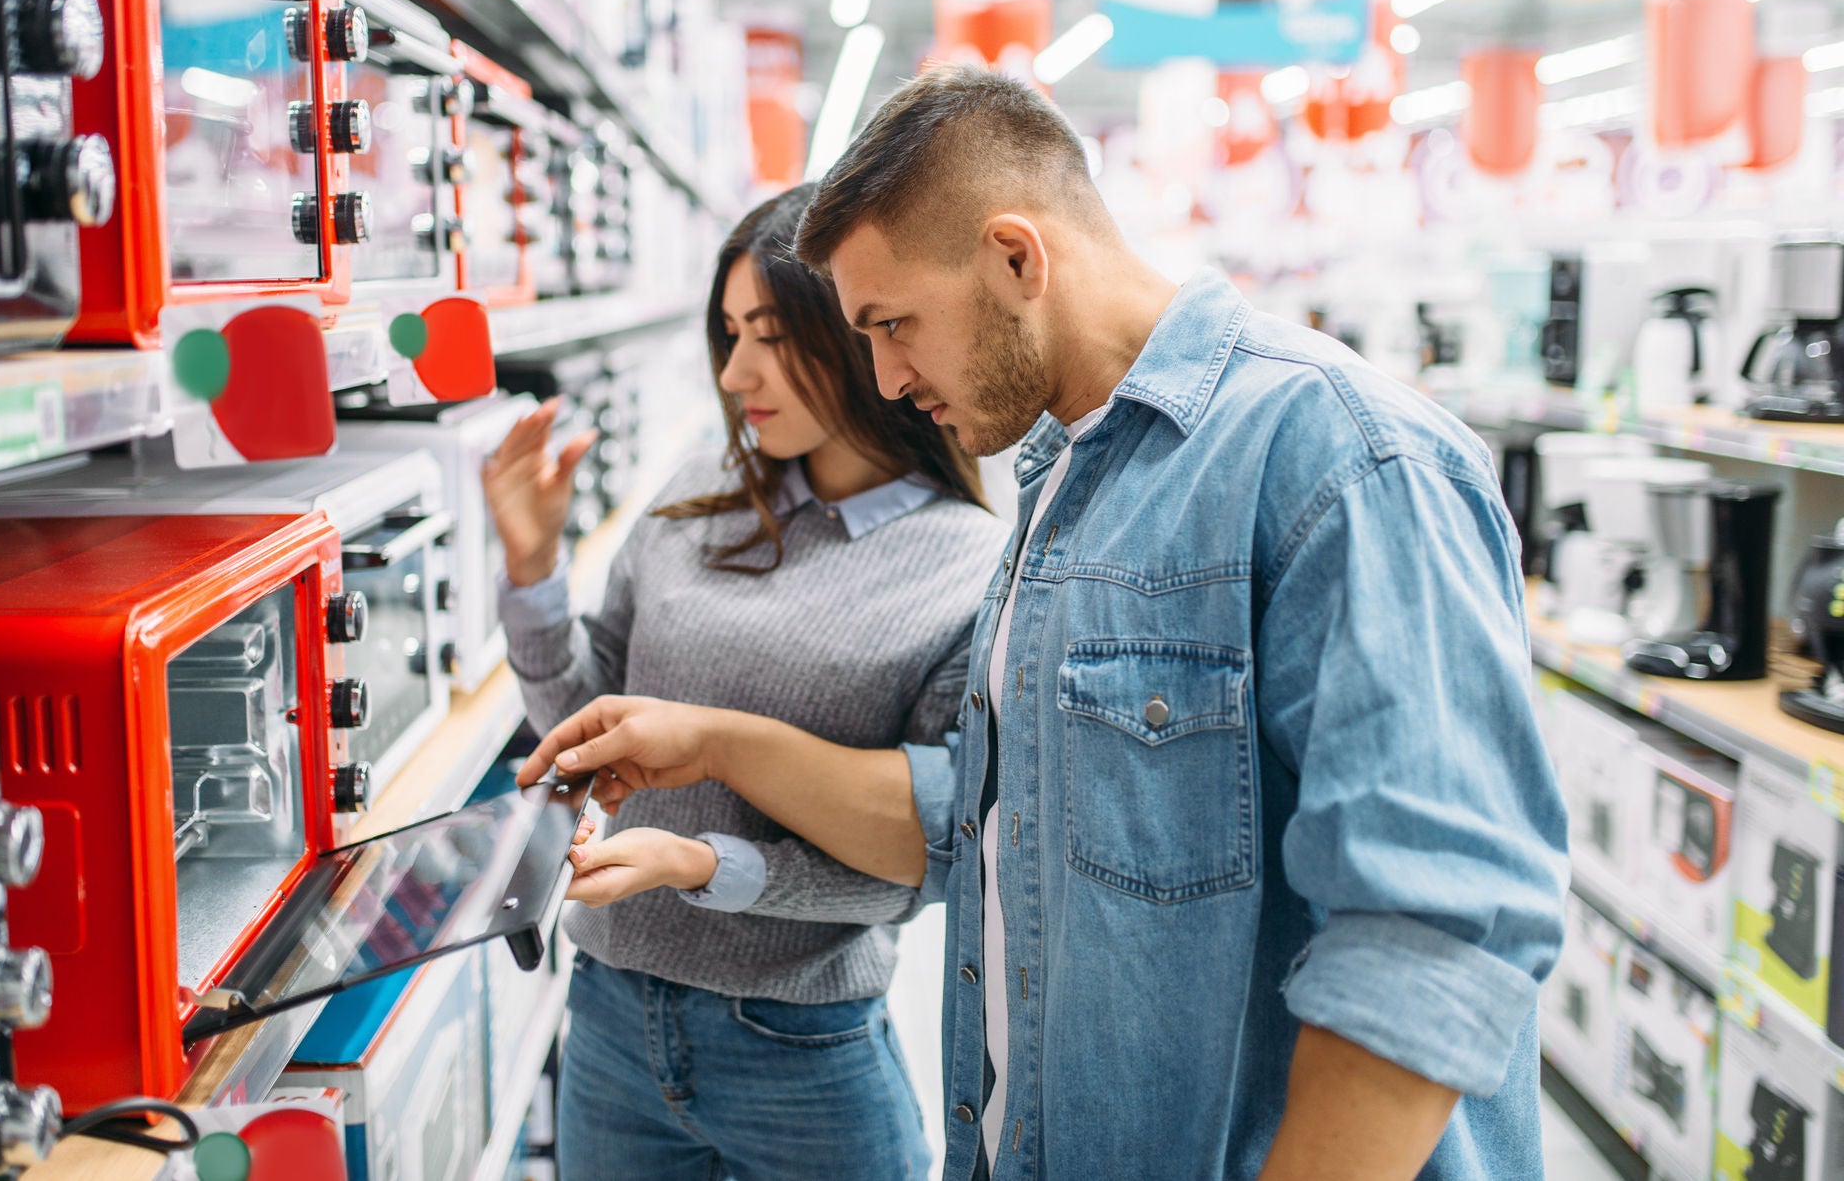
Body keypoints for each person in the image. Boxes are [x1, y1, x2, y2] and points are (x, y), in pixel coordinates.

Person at [517, 67, 1570, 1181]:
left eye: (892, 323)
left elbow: (1431, 932)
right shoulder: (1062, 482)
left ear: (1017, 258)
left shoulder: (1340, 459)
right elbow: (980, 820)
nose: (880, 373)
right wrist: (713, 746)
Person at [482, 183, 1007, 1181]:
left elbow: (926, 862)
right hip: (608, 1014)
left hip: (800, 1042)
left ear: (853, 330)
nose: (734, 373)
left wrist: (706, 864)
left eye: (766, 335)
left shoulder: (966, 566)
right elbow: (581, 736)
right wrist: (531, 572)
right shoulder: (696, 493)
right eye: (727, 334)